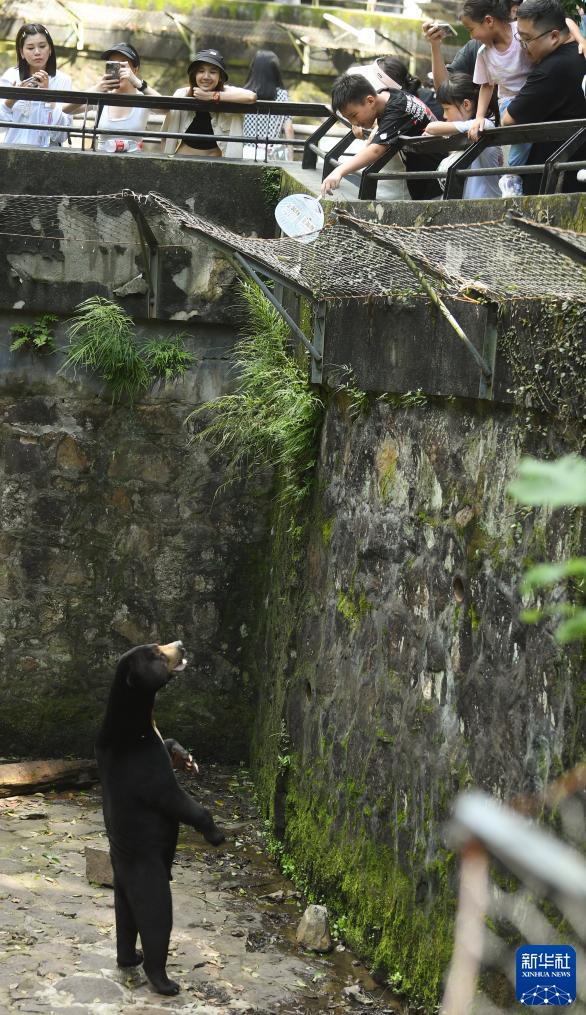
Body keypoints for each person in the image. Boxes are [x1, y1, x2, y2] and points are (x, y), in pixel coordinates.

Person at [501, 0, 586, 192]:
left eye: (527, 38)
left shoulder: (551, 69)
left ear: (554, 36)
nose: (522, 46)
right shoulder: (580, 53)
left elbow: (510, 119)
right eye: (519, 37)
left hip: (555, 185)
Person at [320, 73, 442, 199]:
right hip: (423, 172)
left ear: (370, 100)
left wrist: (339, 171)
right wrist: (377, 126)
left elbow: (376, 150)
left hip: (432, 179)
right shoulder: (387, 94)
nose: (354, 123)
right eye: (348, 118)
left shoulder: (397, 109)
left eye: (354, 115)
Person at [460, 0, 533, 195]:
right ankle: (512, 175)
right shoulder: (484, 53)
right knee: (521, 131)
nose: (471, 35)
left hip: (534, 91)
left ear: (488, 21)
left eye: (471, 29)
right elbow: (486, 85)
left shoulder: (522, 31)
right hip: (509, 101)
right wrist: (479, 118)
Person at [63, 42, 160, 152]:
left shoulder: (143, 98)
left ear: (135, 70)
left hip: (134, 163)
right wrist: (97, 88)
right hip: (102, 162)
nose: (118, 69)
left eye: (123, 64)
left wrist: (139, 83)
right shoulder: (102, 97)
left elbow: (166, 108)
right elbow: (66, 108)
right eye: (113, 64)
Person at [161, 49, 255, 158]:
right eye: (201, 71)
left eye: (213, 72)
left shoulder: (227, 94)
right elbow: (164, 136)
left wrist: (212, 96)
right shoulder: (182, 94)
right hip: (182, 160)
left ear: (220, 77)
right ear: (194, 75)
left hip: (216, 165)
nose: (206, 76)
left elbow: (251, 97)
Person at [423, 73, 503, 197]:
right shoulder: (466, 130)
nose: (444, 116)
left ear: (466, 105)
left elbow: (431, 127)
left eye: (447, 109)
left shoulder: (484, 126)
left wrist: (436, 132)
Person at [0, 23, 72, 147]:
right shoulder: (11, 76)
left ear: (50, 49)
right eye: (30, 48)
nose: (37, 52)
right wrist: (12, 99)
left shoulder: (63, 80)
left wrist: (48, 96)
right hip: (13, 151)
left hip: (48, 155)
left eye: (42, 46)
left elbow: (62, 135)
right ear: (21, 52)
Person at [242, 50, 294, 161]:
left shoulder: (244, 94)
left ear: (253, 69)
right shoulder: (282, 95)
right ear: (275, 71)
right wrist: (291, 158)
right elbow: (288, 128)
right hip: (272, 154)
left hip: (246, 151)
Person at [422, 20, 482, 88]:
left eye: (471, 29)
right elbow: (444, 87)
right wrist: (435, 44)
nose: (472, 36)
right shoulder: (474, 46)